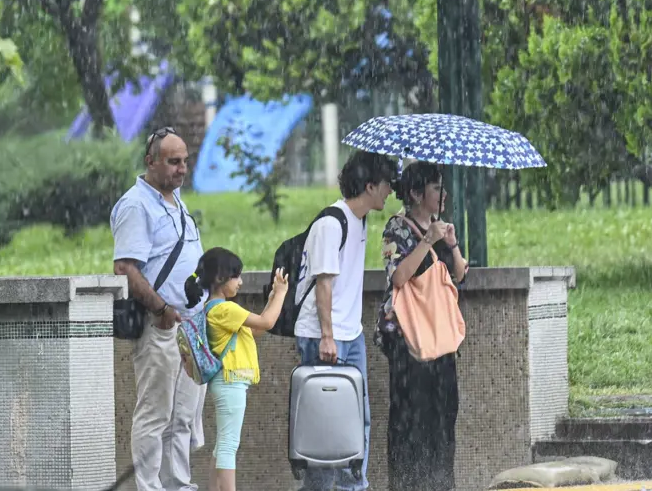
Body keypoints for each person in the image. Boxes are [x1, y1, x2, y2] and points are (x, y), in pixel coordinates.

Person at [293, 150, 398, 491]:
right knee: (325, 427)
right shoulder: (331, 222)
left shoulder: (360, 220)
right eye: (386, 185)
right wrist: (327, 336)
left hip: (351, 337)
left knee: (356, 421)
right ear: (369, 185)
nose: (390, 191)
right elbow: (324, 284)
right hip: (324, 337)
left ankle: (354, 486)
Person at [111, 127, 206, 491]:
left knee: (183, 417)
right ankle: (149, 488)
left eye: (184, 161)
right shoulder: (137, 205)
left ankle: (179, 485)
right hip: (162, 326)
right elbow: (125, 268)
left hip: (191, 326)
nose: (181, 169)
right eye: (173, 162)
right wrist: (162, 309)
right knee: (155, 415)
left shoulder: (175, 199)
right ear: (150, 162)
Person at [376, 161, 468, 491]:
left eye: (442, 187)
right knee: (409, 419)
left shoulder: (440, 227)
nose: (443, 195)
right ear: (416, 193)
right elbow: (399, 276)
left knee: (443, 417)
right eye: (435, 188)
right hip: (408, 340)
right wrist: (427, 241)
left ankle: (441, 484)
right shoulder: (396, 229)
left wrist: (452, 243)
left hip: (440, 339)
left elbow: (459, 274)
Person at [182, 247, 289, 491]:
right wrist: (282, 293)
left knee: (223, 444)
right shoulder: (224, 309)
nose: (241, 282)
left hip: (227, 382)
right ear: (220, 278)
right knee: (229, 444)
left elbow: (256, 330)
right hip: (230, 382)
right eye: (236, 276)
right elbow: (268, 322)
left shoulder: (218, 309)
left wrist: (272, 298)